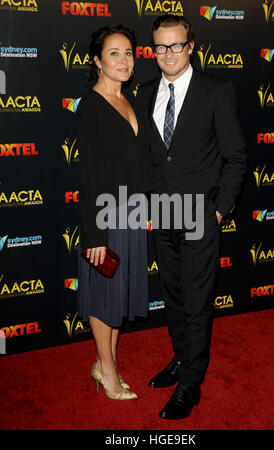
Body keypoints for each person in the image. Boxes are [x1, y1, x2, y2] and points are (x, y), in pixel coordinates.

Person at [135, 15, 248, 419]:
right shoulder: (145, 93)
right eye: (159, 47)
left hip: (201, 214)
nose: (167, 54)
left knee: (198, 301)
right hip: (162, 214)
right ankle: (182, 359)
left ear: (191, 46)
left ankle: (191, 384)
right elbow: (148, 157)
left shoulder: (216, 91)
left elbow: (235, 156)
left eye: (175, 45)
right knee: (175, 296)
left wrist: (219, 210)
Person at [76, 25, 152, 400]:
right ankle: (107, 371)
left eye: (128, 53)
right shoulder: (91, 107)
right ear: (97, 61)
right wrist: (94, 237)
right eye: (113, 54)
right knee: (103, 295)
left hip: (133, 215)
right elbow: (89, 176)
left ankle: (104, 362)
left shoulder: (128, 100)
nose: (123, 60)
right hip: (106, 218)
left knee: (117, 297)